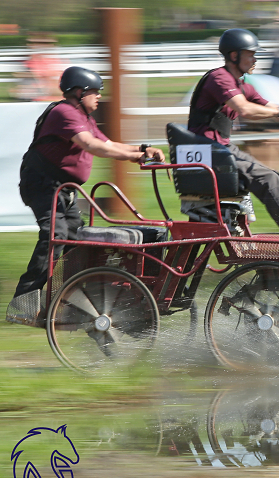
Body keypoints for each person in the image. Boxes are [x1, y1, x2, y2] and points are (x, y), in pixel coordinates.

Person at [8, 66, 167, 313]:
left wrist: (141, 150)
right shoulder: (64, 112)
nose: (99, 96)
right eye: (95, 91)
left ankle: (68, 295)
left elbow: (109, 144)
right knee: (56, 235)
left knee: (76, 237)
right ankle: (24, 302)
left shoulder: (84, 118)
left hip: (61, 189)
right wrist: (135, 154)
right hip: (42, 185)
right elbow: (92, 146)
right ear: (79, 92)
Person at [188, 28, 279, 239]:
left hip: (221, 150)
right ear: (234, 55)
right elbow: (245, 110)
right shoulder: (219, 78)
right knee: (267, 179)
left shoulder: (243, 85)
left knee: (277, 177)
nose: (255, 59)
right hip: (204, 151)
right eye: (251, 54)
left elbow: (275, 110)